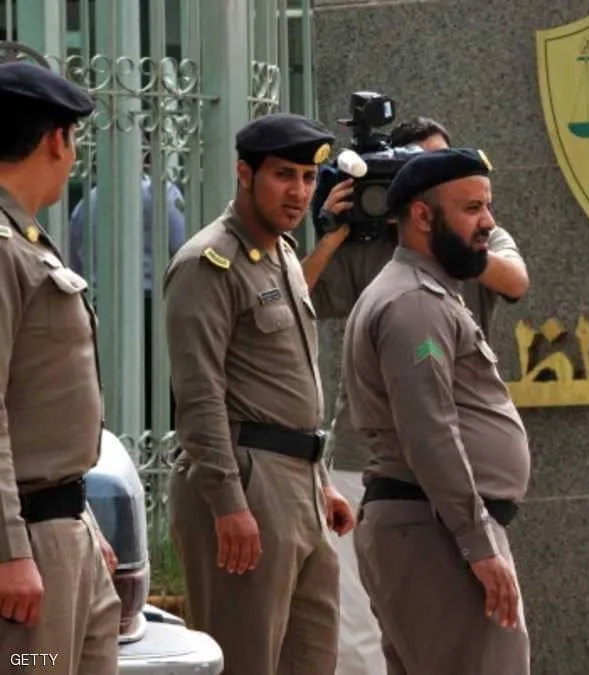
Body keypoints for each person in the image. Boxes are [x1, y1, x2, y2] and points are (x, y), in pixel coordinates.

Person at [303, 118, 528, 675]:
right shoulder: (413, 302)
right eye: (472, 209)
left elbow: (515, 279)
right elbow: (430, 432)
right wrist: (479, 544)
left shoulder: (432, 287)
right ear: (422, 216)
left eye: (487, 206)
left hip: (439, 523)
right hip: (433, 528)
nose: (488, 221)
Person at [165, 112, 355, 675]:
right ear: (245, 174)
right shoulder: (208, 263)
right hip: (247, 484)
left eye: (308, 177)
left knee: (313, 659)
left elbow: (285, 383)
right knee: (245, 660)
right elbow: (199, 395)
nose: (299, 192)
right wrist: (228, 503)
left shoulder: (285, 255)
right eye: (283, 175)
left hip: (299, 484)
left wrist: (320, 481)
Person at [0, 61, 120, 673]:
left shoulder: (27, 239)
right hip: (27, 543)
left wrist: (82, 517)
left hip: (63, 529)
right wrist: (10, 551)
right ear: (55, 140)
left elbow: (40, 413)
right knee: (35, 666)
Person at [69, 172, 187, 431]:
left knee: (108, 385)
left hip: (99, 304)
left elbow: (74, 260)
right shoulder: (163, 194)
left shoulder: (88, 201)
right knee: (156, 392)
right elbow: (184, 251)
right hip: (151, 306)